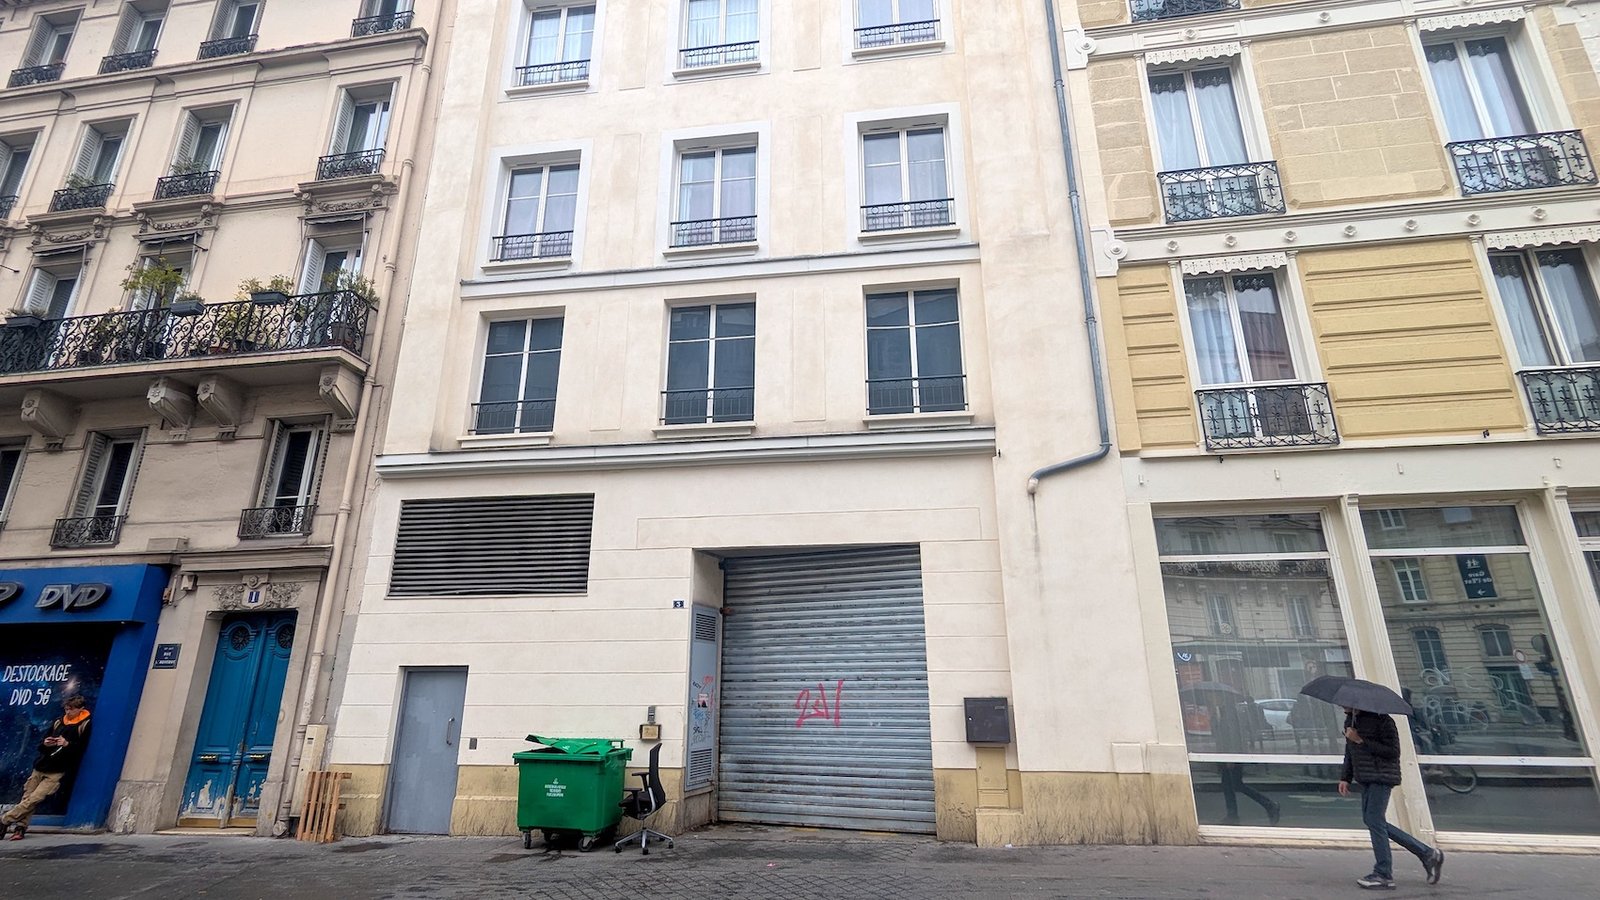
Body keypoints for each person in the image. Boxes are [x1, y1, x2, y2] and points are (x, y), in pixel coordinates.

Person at [1339, 705, 1444, 889]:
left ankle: (1383, 874)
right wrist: (1345, 777)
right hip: (1365, 777)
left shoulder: (1383, 720)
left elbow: (1392, 751)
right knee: (1373, 821)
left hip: (1382, 776)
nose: (1341, 706)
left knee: (1374, 820)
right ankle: (1428, 854)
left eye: (1345, 704)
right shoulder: (1351, 721)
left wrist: (1361, 740)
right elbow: (1350, 752)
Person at [1, 694, 93, 841]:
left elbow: (81, 749)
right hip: (41, 765)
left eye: (71, 709)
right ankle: (20, 828)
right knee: (27, 797)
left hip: (57, 770)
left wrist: (66, 744)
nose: (68, 712)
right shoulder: (58, 721)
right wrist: (46, 743)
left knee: (35, 799)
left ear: (80, 709)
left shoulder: (84, 725)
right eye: (66, 709)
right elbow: (41, 743)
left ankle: (4, 820)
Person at [1213, 696, 1280, 825]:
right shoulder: (1224, 713)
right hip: (1226, 755)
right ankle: (1232, 815)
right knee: (1228, 785)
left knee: (1236, 784)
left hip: (1231, 756)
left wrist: (1231, 757)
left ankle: (1269, 805)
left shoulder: (1230, 714)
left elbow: (1232, 735)